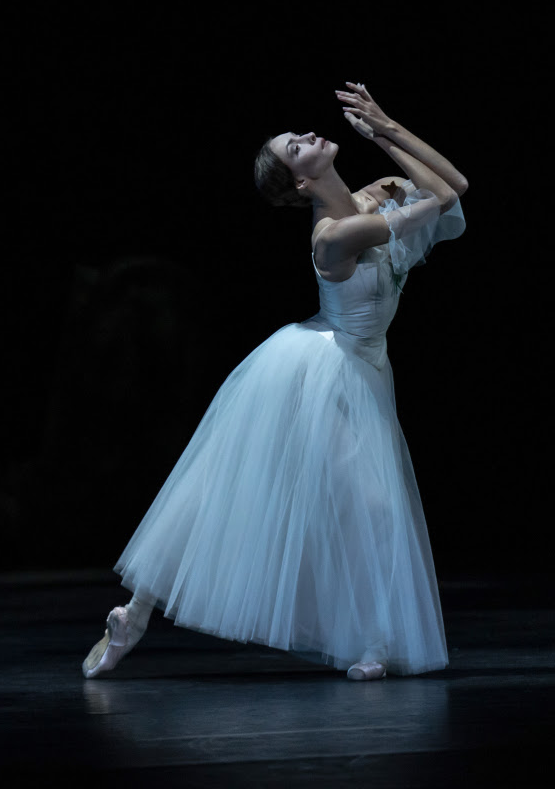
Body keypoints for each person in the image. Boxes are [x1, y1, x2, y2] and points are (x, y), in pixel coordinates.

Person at [82, 82, 467, 682]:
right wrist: (386, 129)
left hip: (362, 369)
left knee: (360, 507)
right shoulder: (335, 236)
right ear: (300, 182)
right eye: (297, 146)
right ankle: (137, 612)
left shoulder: (368, 202)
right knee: (288, 494)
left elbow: (457, 187)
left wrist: (387, 127)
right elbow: (441, 196)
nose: (310, 134)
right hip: (319, 372)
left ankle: (369, 641)